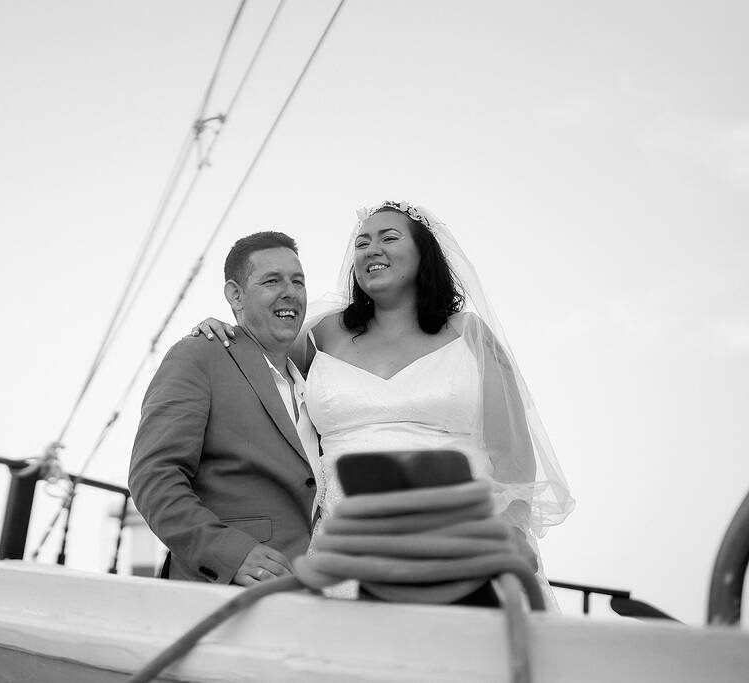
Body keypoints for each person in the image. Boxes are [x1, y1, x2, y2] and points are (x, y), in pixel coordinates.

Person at [193, 201, 575, 605]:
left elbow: (512, 450)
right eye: (362, 243)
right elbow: (261, 363)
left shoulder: (469, 336)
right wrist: (224, 330)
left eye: (388, 238)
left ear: (423, 254)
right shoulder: (321, 335)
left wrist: (512, 533)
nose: (371, 250)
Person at [129, 231, 321, 586]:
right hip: (226, 592)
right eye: (271, 281)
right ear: (235, 295)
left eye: (298, 281)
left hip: (312, 594)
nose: (290, 292)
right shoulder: (200, 355)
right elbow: (154, 476)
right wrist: (229, 554)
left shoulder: (316, 381)